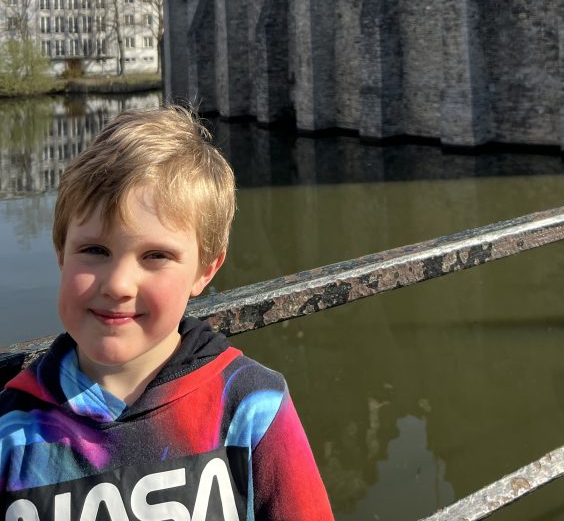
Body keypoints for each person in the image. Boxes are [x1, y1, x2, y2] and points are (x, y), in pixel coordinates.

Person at [0, 106, 334, 520]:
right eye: (94, 250)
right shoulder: (11, 427)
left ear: (205, 270)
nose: (118, 284)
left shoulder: (252, 408)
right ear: (60, 253)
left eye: (155, 255)